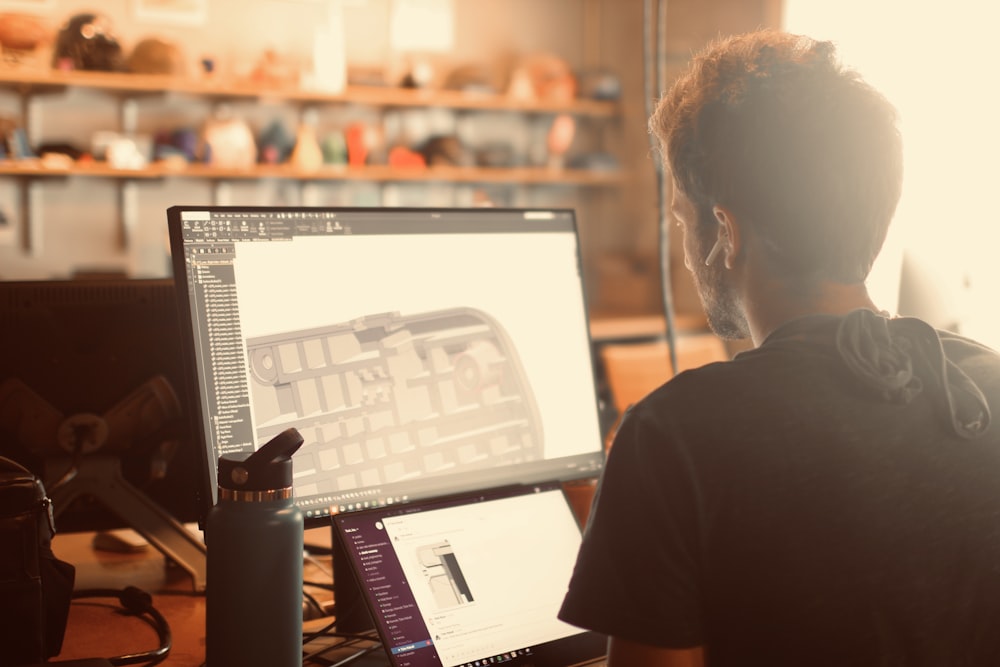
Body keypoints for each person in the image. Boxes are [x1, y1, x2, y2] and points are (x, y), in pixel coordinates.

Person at [558, 29, 1000, 667]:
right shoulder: (986, 387)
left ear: (727, 233)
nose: (685, 248)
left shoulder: (675, 436)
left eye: (684, 219)